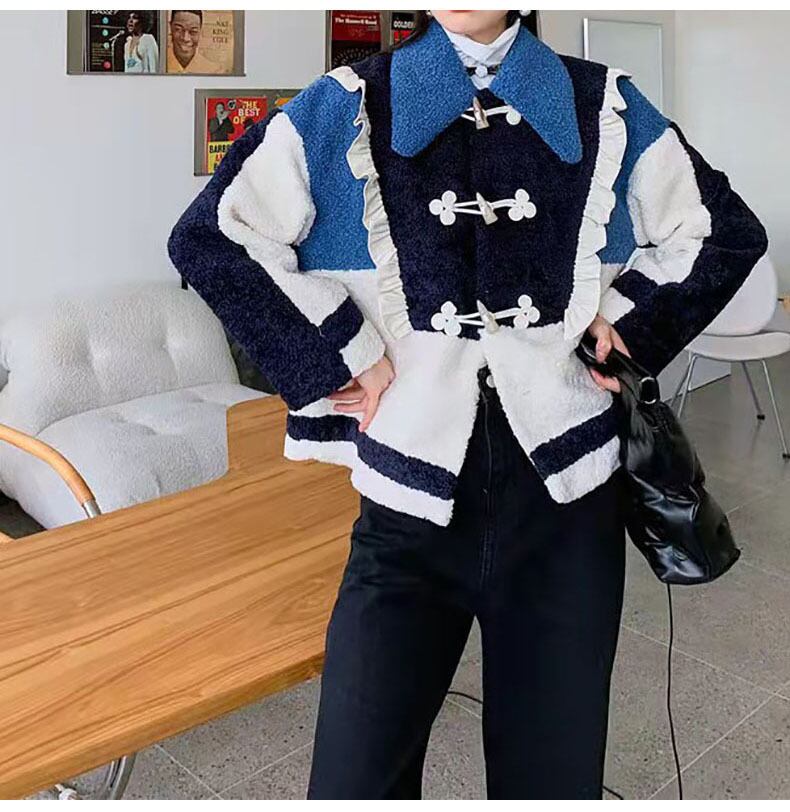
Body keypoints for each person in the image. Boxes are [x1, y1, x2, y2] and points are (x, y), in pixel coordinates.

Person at [168, 10, 767, 799]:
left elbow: (722, 232)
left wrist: (627, 326)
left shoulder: (605, 102)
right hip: (405, 514)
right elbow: (213, 236)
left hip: (567, 512)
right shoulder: (344, 103)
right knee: (353, 783)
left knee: (551, 784)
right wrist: (345, 351)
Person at [167, 10, 218, 74]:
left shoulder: (214, 71)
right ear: (170, 27)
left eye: (193, 31)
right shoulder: (158, 63)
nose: (185, 38)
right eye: (178, 29)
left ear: (200, 31)